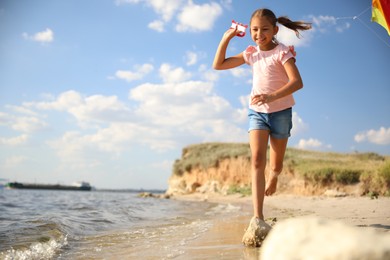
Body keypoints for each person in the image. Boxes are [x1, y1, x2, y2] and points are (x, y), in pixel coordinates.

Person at [213, 8, 311, 230]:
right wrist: (225, 38)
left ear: (275, 30)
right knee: (257, 160)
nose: (259, 34)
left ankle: (274, 175)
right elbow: (218, 65)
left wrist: (271, 96)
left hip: (281, 113)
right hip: (256, 112)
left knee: (275, 164)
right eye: (255, 30)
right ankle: (258, 217)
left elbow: (297, 82)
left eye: (265, 29)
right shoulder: (251, 54)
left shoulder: (282, 53)